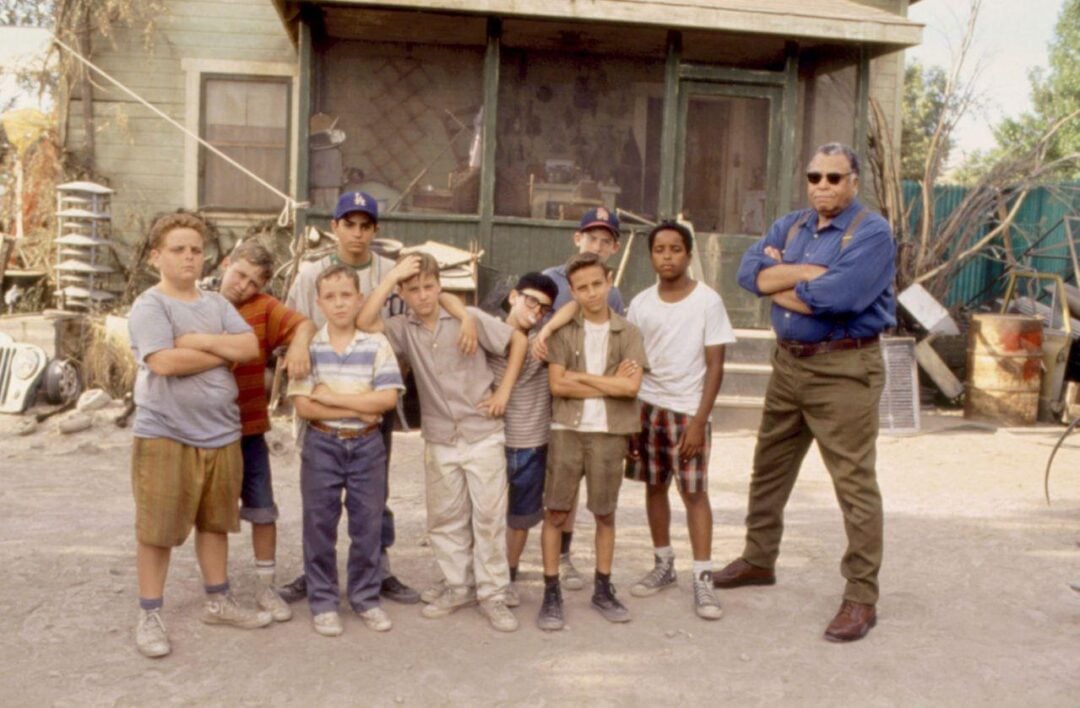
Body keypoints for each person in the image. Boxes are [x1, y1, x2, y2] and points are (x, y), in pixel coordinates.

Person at [716, 142, 896, 643]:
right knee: (769, 465)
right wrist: (801, 274)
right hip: (788, 363)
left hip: (844, 367)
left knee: (854, 484)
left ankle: (861, 597)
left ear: (854, 182)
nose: (823, 186)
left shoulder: (873, 233)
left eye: (834, 178)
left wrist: (779, 278)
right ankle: (758, 559)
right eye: (815, 177)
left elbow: (840, 297)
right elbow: (746, 274)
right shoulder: (790, 226)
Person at [282, 191, 473, 605]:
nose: (356, 233)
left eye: (364, 225)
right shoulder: (312, 271)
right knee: (320, 492)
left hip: (375, 389)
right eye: (347, 224)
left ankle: (378, 568)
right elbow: (294, 319)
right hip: (322, 391)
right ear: (333, 227)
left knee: (373, 491)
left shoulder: (391, 269)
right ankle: (314, 573)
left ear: (375, 230)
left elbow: (435, 292)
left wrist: (465, 315)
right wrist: (298, 341)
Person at [359, 252, 529, 633]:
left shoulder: (466, 319)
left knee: (487, 517)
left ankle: (493, 594)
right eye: (413, 289)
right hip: (439, 436)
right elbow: (364, 322)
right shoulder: (403, 328)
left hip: (482, 431)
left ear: (440, 286)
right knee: (444, 517)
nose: (422, 296)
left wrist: (503, 391)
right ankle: (458, 586)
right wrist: (391, 278)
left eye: (430, 287)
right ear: (402, 292)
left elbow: (517, 341)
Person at [128, 213, 271, 659]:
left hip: (222, 433)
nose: (189, 256)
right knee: (158, 528)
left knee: (215, 522)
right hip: (166, 432)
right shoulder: (150, 306)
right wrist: (218, 350)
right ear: (157, 257)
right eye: (178, 249)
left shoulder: (215, 304)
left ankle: (218, 600)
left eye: (195, 249)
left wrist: (197, 341)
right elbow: (163, 364)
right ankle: (150, 614)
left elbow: (250, 349)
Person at [624, 221, 736, 620]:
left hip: (688, 411)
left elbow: (716, 365)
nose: (667, 256)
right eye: (659, 249)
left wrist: (698, 421)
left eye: (675, 249)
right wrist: (630, 416)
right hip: (647, 408)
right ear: (651, 255)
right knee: (654, 487)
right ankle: (663, 564)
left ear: (688, 254)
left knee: (693, 494)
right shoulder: (640, 303)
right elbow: (631, 362)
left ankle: (703, 577)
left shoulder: (707, 302)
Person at [288, 264, 406, 637]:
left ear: (359, 299)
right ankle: (323, 601)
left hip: (367, 445)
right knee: (319, 524)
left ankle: (365, 597)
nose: (339, 304)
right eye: (330, 297)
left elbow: (386, 400)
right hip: (322, 444)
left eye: (346, 295)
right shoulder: (310, 347)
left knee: (367, 524)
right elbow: (305, 407)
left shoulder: (376, 344)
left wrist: (338, 399)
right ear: (319, 303)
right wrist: (359, 404)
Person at [536, 252, 648, 631]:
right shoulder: (565, 331)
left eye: (597, 284)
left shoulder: (628, 332)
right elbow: (557, 385)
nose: (591, 293)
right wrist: (607, 382)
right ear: (572, 292)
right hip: (568, 430)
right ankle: (551, 590)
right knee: (555, 511)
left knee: (604, 513)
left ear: (609, 281)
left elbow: (630, 387)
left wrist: (582, 379)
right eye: (581, 288)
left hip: (608, 433)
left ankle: (603, 586)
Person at [214, 239, 316, 624]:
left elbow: (304, 323)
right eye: (240, 274)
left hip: (250, 428)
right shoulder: (199, 303)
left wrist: (298, 348)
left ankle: (265, 587)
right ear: (226, 263)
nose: (243, 286)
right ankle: (218, 590)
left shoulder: (264, 309)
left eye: (254, 282)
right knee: (214, 515)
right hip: (207, 431)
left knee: (262, 510)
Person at [539, 206, 626, 591]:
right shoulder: (549, 279)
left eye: (605, 241)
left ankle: (564, 556)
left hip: (585, 397)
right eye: (591, 237)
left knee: (575, 479)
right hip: (542, 387)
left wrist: (597, 383)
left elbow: (614, 351)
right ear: (577, 238)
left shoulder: (614, 291)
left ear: (614, 248)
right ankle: (524, 559)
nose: (597, 244)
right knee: (551, 481)